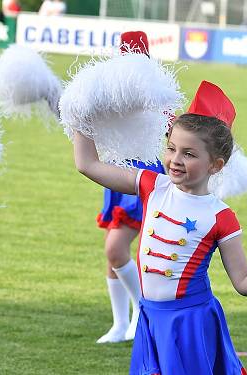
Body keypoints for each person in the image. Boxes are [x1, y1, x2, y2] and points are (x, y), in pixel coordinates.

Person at [72, 81, 247, 374]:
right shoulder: (152, 185)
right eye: (171, 148)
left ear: (215, 165)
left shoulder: (220, 216)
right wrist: (79, 112)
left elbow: (244, 281)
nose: (175, 160)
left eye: (189, 154)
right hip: (151, 319)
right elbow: (87, 164)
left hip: (190, 323)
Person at [94, 31, 167, 344]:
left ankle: (143, 312)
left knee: (116, 247)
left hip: (144, 177)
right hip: (117, 175)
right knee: (113, 254)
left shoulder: (153, 92)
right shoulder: (112, 90)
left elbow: (171, 127)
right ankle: (120, 324)